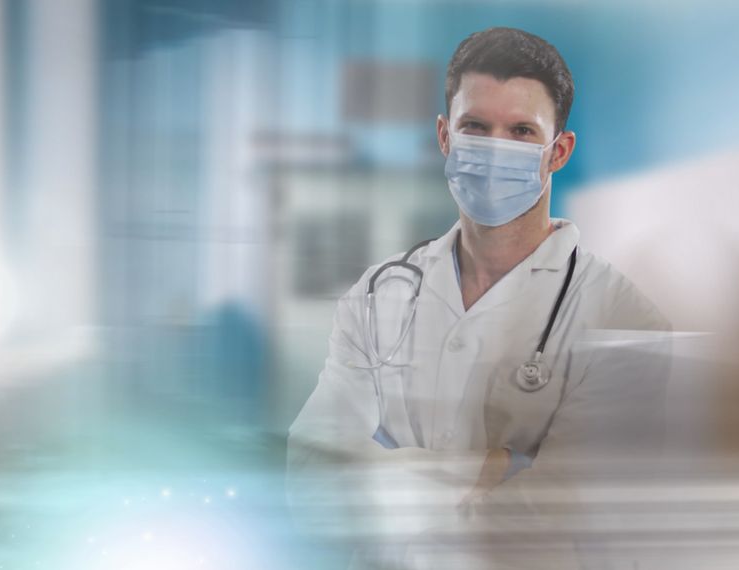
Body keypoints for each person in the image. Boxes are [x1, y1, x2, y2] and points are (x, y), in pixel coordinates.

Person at [288, 27, 672, 568]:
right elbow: (312, 480)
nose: (495, 149)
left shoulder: (623, 319)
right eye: (476, 127)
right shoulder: (379, 296)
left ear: (557, 151)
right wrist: (490, 467)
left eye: (520, 131)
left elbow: (561, 522)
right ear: (445, 137)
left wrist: (389, 486)